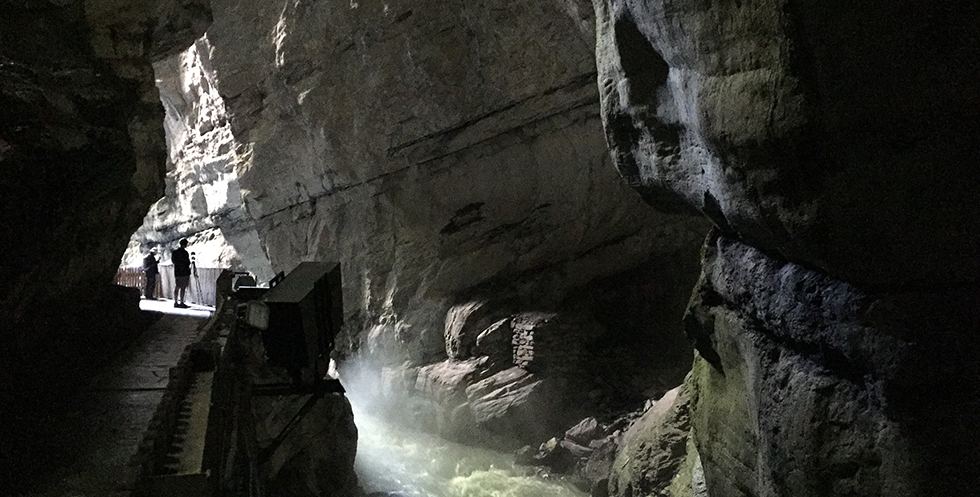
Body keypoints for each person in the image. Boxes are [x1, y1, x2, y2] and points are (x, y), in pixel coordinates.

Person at [172, 239, 192, 308]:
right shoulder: (185, 253)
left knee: (177, 286)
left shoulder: (175, 252)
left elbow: (174, 261)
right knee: (182, 287)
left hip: (178, 272)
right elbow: (188, 262)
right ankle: (181, 302)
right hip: (184, 272)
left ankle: (176, 301)